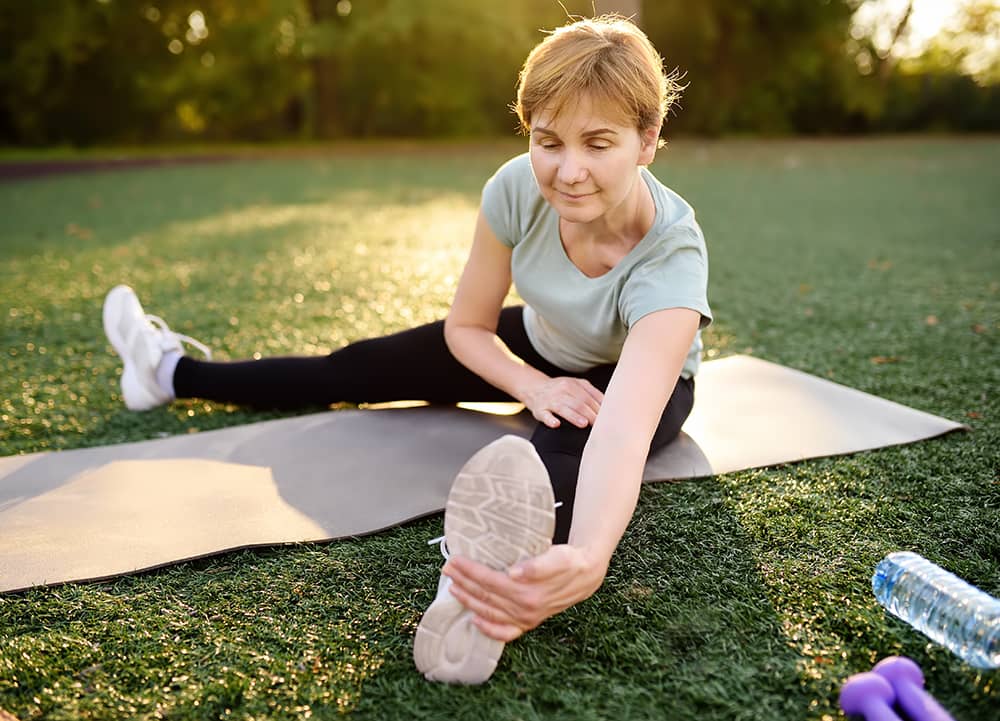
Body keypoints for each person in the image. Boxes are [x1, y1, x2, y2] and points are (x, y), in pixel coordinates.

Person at [102, 15, 711, 684]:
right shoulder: (515, 188)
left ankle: (468, 598)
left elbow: (622, 433)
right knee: (355, 366)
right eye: (549, 141)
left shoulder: (672, 258)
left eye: (599, 143)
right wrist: (532, 387)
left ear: (648, 140)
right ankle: (166, 372)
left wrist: (591, 557)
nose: (568, 171)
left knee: (563, 452)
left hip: (632, 380)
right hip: (541, 346)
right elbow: (467, 329)